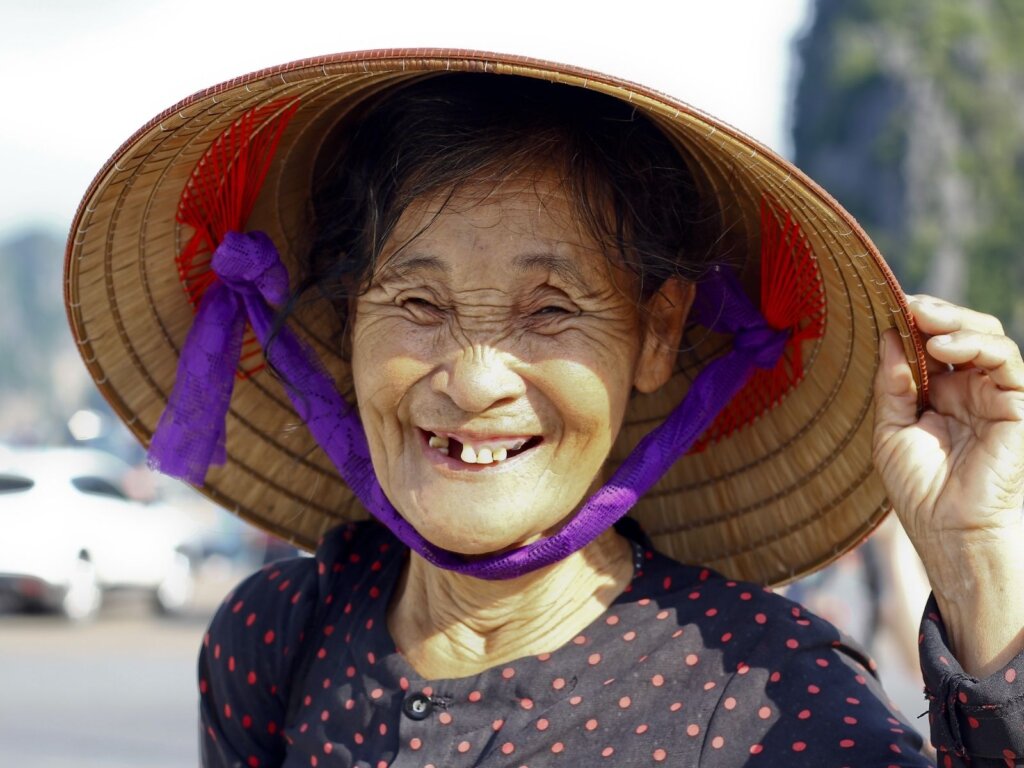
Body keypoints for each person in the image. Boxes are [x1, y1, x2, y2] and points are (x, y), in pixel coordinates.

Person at [65, 51, 1024, 766]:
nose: (474, 381)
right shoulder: (276, 643)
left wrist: (978, 562)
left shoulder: (770, 698)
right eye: (418, 304)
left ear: (656, 335)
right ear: (349, 318)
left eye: (551, 310)